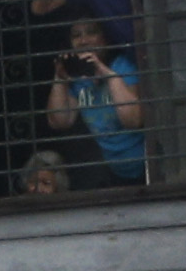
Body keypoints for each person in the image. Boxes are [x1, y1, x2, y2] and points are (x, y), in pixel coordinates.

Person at [42, 20, 148, 186]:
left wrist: (108, 75)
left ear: (105, 37)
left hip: (148, 167)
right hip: (116, 172)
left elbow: (133, 120)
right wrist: (60, 78)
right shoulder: (77, 79)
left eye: (91, 32)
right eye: (76, 35)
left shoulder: (122, 66)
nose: (84, 40)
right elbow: (59, 121)